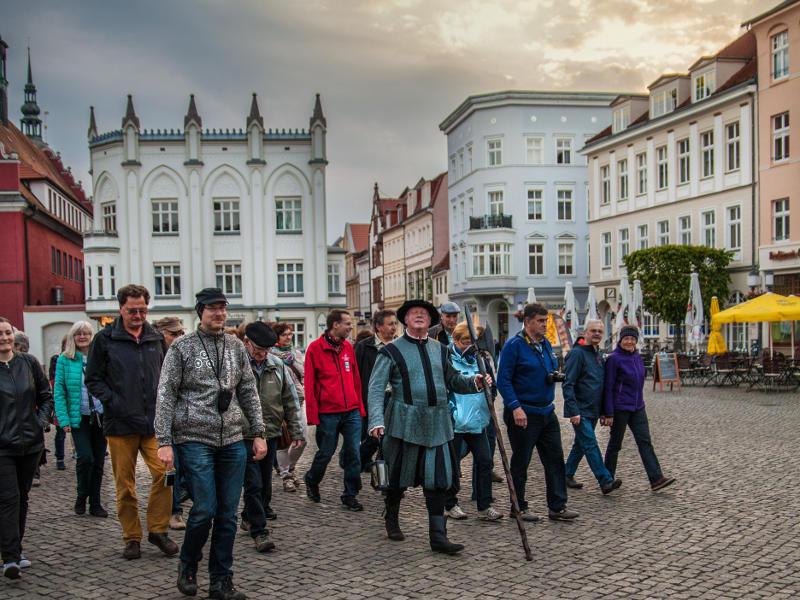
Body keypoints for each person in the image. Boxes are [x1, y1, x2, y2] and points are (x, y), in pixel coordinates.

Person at [156, 288, 267, 600]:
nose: (219, 313)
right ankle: (188, 564)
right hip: (193, 437)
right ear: (200, 312)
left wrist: (258, 431)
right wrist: (164, 441)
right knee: (204, 508)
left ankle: (221, 579)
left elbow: (248, 389)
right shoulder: (181, 347)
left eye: (222, 308)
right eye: (212, 308)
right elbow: (165, 394)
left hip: (232, 439)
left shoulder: (235, 346)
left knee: (229, 514)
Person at [368, 300, 490, 554]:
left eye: (424, 314)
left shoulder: (440, 350)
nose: (420, 316)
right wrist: (376, 420)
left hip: (437, 424)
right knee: (397, 479)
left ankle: (438, 537)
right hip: (403, 423)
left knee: (437, 481)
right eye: (414, 313)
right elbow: (376, 388)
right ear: (405, 320)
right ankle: (391, 518)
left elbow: (454, 379)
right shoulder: (390, 351)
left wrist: (475, 381)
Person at [85, 284, 177, 560]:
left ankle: (158, 530)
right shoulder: (104, 339)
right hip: (119, 424)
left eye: (142, 310)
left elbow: (166, 376)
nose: (138, 315)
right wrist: (114, 401)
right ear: (120, 308)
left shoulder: (155, 338)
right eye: (132, 310)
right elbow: (93, 379)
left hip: (153, 424)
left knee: (166, 475)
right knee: (125, 485)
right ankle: (132, 537)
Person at [496, 302, 579, 522]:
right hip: (524, 412)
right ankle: (518, 506)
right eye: (541, 321)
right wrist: (515, 407)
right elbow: (503, 380)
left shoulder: (545, 344)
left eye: (546, 321)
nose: (545, 325)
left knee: (555, 460)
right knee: (521, 462)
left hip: (546, 411)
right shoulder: (514, 345)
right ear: (528, 321)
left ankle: (557, 506)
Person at [240, 321, 302, 553]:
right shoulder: (237, 365)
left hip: (272, 432)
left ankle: (249, 515)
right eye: (257, 350)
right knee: (253, 483)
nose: (261, 355)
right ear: (247, 343)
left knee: (265, 484)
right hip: (244, 435)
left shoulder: (276, 365)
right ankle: (259, 530)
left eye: (266, 351)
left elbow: (290, 400)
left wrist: (295, 430)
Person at [0, 317, 53, 579]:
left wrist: (40, 422)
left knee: (21, 498)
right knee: (8, 499)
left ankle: (15, 550)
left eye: (7, 333)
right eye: (0, 334)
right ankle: (9, 557)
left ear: (14, 335)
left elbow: (45, 395)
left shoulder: (28, 363)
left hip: (30, 444)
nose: (4, 338)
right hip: (2, 447)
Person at [303, 309, 365, 511]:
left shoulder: (348, 347)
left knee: (354, 452)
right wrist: (313, 415)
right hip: (328, 412)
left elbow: (356, 379)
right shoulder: (315, 348)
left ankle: (350, 494)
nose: (350, 327)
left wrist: (360, 408)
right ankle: (312, 479)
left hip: (351, 411)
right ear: (335, 325)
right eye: (347, 323)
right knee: (326, 453)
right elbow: (310, 385)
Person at [602, 326, 675, 492]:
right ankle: (606, 479)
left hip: (638, 406)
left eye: (632, 339)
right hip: (620, 407)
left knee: (645, 442)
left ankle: (656, 478)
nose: (629, 342)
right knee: (615, 444)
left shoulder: (636, 356)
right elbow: (608, 387)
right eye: (626, 339)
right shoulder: (614, 359)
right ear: (620, 340)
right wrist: (608, 412)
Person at [444, 323, 502, 522]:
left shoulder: (480, 360)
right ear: (455, 341)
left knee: (485, 462)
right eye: (464, 342)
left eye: (470, 342)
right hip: (456, 422)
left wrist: (489, 390)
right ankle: (450, 503)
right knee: (452, 464)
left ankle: (484, 505)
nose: (467, 346)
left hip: (478, 421)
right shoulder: (447, 359)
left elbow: (493, 388)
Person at [53, 321, 109, 519]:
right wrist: (63, 419)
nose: (83, 336)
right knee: (85, 457)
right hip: (80, 417)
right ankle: (81, 495)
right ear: (72, 337)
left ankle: (95, 503)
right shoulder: (64, 360)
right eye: (78, 334)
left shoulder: (101, 357)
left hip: (101, 416)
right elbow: (59, 391)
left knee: (99, 461)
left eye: (86, 333)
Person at [562, 320, 621, 495]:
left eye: (599, 332)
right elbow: (568, 384)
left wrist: (603, 411)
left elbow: (602, 384)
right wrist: (573, 411)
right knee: (590, 444)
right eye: (593, 331)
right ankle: (605, 480)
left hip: (593, 410)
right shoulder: (576, 354)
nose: (596, 334)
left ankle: (566, 474)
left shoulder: (598, 355)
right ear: (585, 333)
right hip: (580, 410)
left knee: (581, 444)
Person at [154, 316, 189, 531]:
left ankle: (179, 500)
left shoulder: (184, 353)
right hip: (163, 420)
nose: (178, 337)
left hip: (185, 420)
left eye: (180, 333)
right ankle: (174, 511)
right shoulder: (154, 356)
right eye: (173, 334)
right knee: (170, 468)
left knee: (185, 468)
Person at [354, 309, 396, 471]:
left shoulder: (399, 345)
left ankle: (383, 475)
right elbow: (356, 373)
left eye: (395, 323)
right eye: (390, 324)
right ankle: (359, 459)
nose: (394, 327)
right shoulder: (365, 347)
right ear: (378, 326)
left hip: (394, 398)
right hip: (374, 399)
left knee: (388, 439)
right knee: (373, 437)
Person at [270, 322, 307, 492]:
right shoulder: (271, 355)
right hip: (282, 403)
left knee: (303, 440)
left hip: (300, 401)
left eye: (290, 334)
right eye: (284, 334)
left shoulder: (296, 354)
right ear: (277, 337)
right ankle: (286, 476)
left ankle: (291, 467)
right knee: (284, 442)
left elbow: (304, 374)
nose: (288, 337)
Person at [49, 336, 68, 472]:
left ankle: (78, 454)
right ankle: (60, 458)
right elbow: (54, 381)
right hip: (62, 399)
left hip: (76, 401)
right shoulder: (56, 359)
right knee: (60, 431)